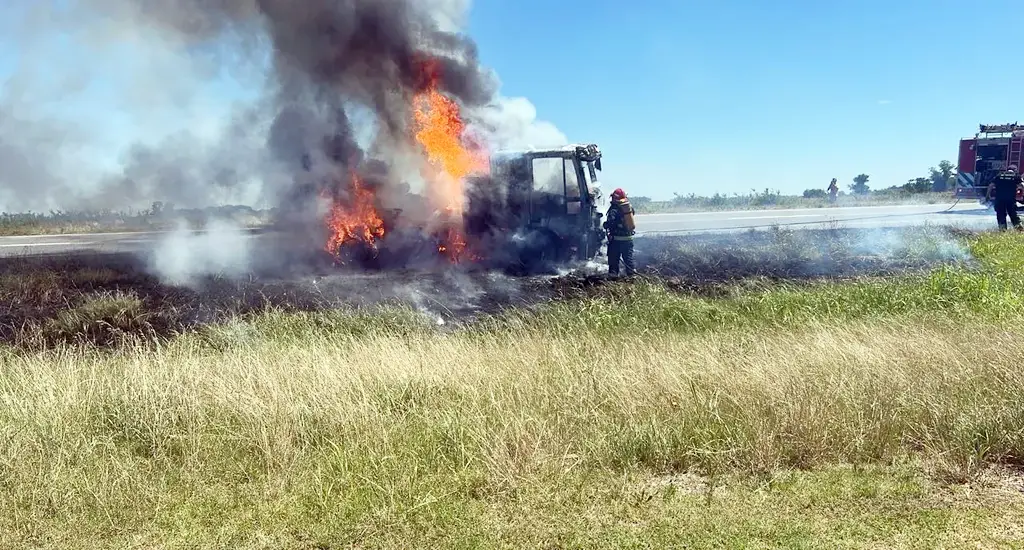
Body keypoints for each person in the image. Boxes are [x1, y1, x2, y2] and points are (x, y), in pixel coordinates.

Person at [603, 187, 636, 276]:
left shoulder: (613, 209)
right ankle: (632, 277)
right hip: (628, 239)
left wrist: (606, 225)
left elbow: (611, 223)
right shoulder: (628, 208)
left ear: (614, 198)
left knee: (613, 260)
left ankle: (613, 277)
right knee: (628, 260)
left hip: (616, 241)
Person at [985, 164, 1024, 231]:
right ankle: (1019, 229)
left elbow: (991, 185)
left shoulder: (999, 175)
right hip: (1010, 199)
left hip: (999, 199)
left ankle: (1003, 230)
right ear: (1015, 170)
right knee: (1013, 214)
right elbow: (1022, 185)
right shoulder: (1016, 176)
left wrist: (987, 195)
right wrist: (1022, 194)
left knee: (1001, 215)